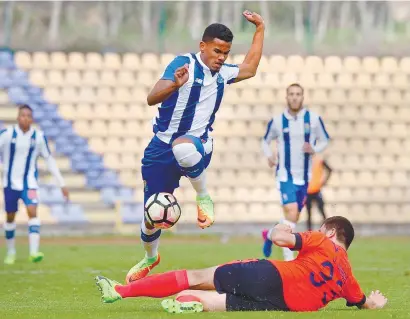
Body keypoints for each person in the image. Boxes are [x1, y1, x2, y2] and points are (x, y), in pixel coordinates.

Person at [126, 11, 265, 283]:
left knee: (183, 146)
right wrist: (174, 85)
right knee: (150, 216)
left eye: (226, 52)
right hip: (159, 148)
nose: (222, 57)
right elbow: (151, 98)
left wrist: (260, 28)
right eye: (217, 51)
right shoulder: (183, 65)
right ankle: (150, 257)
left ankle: (203, 197)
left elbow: (250, 68)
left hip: (198, 144)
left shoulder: (223, 73)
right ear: (203, 46)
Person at [95, 216, 388, 313]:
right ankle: (190, 303)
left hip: (273, 276)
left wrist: (280, 227)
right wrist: (375, 302)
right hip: (281, 306)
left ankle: (119, 291)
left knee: (195, 275)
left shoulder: (321, 241)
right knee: (216, 301)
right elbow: (363, 303)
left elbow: (282, 241)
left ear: (332, 232)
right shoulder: (347, 276)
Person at [261, 83, 330, 261]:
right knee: (292, 213)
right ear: (286, 97)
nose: (294, 97)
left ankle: (270, 234)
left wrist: (314, 148)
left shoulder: (313, 119)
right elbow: (265, 141)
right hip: (285, 175)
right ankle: (288, 258)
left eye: (298, 94)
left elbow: (325, 139)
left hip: (304, 177)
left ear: (302, 97)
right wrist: (269, 155)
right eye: (291, 94)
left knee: (293, 216)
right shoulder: (277, 121)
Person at [0, 105, 69, 265]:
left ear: (32, 119)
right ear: (18, 117)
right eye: (22, 115)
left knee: (33, 211)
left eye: (28, 116)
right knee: (10, 216)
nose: (25, 118)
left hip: (29, 183)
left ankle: (34, 252)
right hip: (10, 183)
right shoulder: (7, 134)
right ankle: (10, 252)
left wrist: (62, 184)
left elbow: (49, 160)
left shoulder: (38, 137)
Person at [306, 154, 332, 231]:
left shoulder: (318, 159)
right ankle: (310, 232)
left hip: (316, 190)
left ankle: (327, 229)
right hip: (308, 191)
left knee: (321, 211)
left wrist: (324, 182)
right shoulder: (304, 160)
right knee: (309, 213)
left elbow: (330, 170)